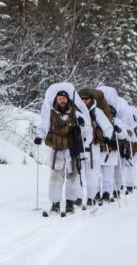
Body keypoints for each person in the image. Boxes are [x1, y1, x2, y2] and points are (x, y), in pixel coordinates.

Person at [34, 83, 91, 215]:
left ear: (68, 99)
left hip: (71, 149)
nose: (62, 100)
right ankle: (55, 204)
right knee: (55, 177)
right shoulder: (51, 112)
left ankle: (70, 203)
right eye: (60, 98)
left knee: (73, 176)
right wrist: (39, 136)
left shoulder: (75, 113)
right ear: (56, 99)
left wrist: (82, 126)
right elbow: (43, 125)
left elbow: (86, 128)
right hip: (57, 148)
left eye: (64, 98)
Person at [78, 88, 113, 207]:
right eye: (81, 98)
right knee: (79, 173)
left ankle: (91, 197)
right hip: (79, 145)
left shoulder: (96, 111)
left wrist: (107, 137)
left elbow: (108, 127)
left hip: (93, 146)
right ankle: (77, 198)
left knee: (93, 173)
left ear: (91, 99)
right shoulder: (75, 110)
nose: (83, 101)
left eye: (86, 99)